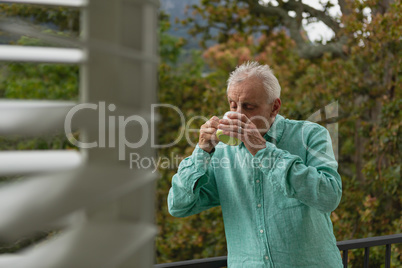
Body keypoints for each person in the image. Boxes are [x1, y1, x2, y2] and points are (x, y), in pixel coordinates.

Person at [167, 61, 343, 267]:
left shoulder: (310, 134)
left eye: (249, 107)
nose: (239, 113)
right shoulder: (221, 152)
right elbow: (178, 206)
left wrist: (262, 150)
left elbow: (329, 196)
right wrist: (202, 152)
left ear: (274, 107)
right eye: (233, 105)